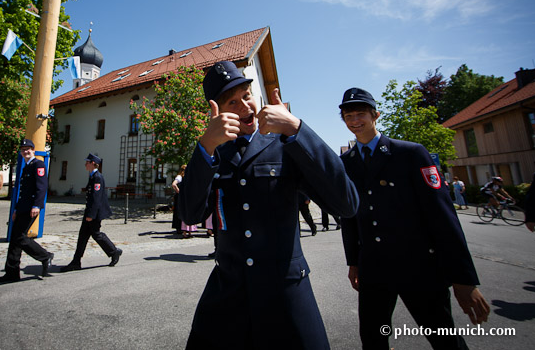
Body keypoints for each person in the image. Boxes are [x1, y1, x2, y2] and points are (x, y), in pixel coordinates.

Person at [179, 61, 358, 349]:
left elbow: (347, 204)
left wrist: (297, 128)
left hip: (286, 295)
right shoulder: (214, 150)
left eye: (246, 95)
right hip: (228, 297)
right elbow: (190, 214)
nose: (245, 106)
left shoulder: (286, 142)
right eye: (232, 101)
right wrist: (205, 147)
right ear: (217, 110)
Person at [338, 87, 490, 349]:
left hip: (419, 267)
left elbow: (443, 216)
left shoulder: (409, 154)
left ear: (375, 115)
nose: (354, 121)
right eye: (348, 116)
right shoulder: (346, 162)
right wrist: (354, 262)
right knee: (373, 338)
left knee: (443, 337)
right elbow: (351, 217)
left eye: (360, 114)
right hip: (374, 269)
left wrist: (463, 279)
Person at [0, 139, 54, 282]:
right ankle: (12, 273)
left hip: (31, 207)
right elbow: (23, 192)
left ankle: (45, 256)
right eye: (23, 150)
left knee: (20, 237)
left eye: (28, 149)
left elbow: (41, 187)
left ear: (33, 150)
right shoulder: (27, 166)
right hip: (23, 207)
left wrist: (37, 205)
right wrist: (16, 209)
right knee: (15, 239)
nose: (25, 152)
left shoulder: (38, 164)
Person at [61, 154, 122, 271]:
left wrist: (91, 215)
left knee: (96, 234)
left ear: (93, 163)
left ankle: (114, 252)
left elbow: (96, 198)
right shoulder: (92, 176)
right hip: (90, 212)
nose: (85, 164)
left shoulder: (97, 177)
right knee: (83, 236)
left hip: (93, 214)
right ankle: (76, 261)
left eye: (87, 162)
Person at [171, 165, 186, 235]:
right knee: (178, 211)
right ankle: (179, 227)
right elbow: (174, 184)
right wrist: (178, 191)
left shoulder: (182, 177)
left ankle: (180, 227)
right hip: (179, 196)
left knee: (179, 211)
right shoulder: (179, 177)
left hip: (180, 196)